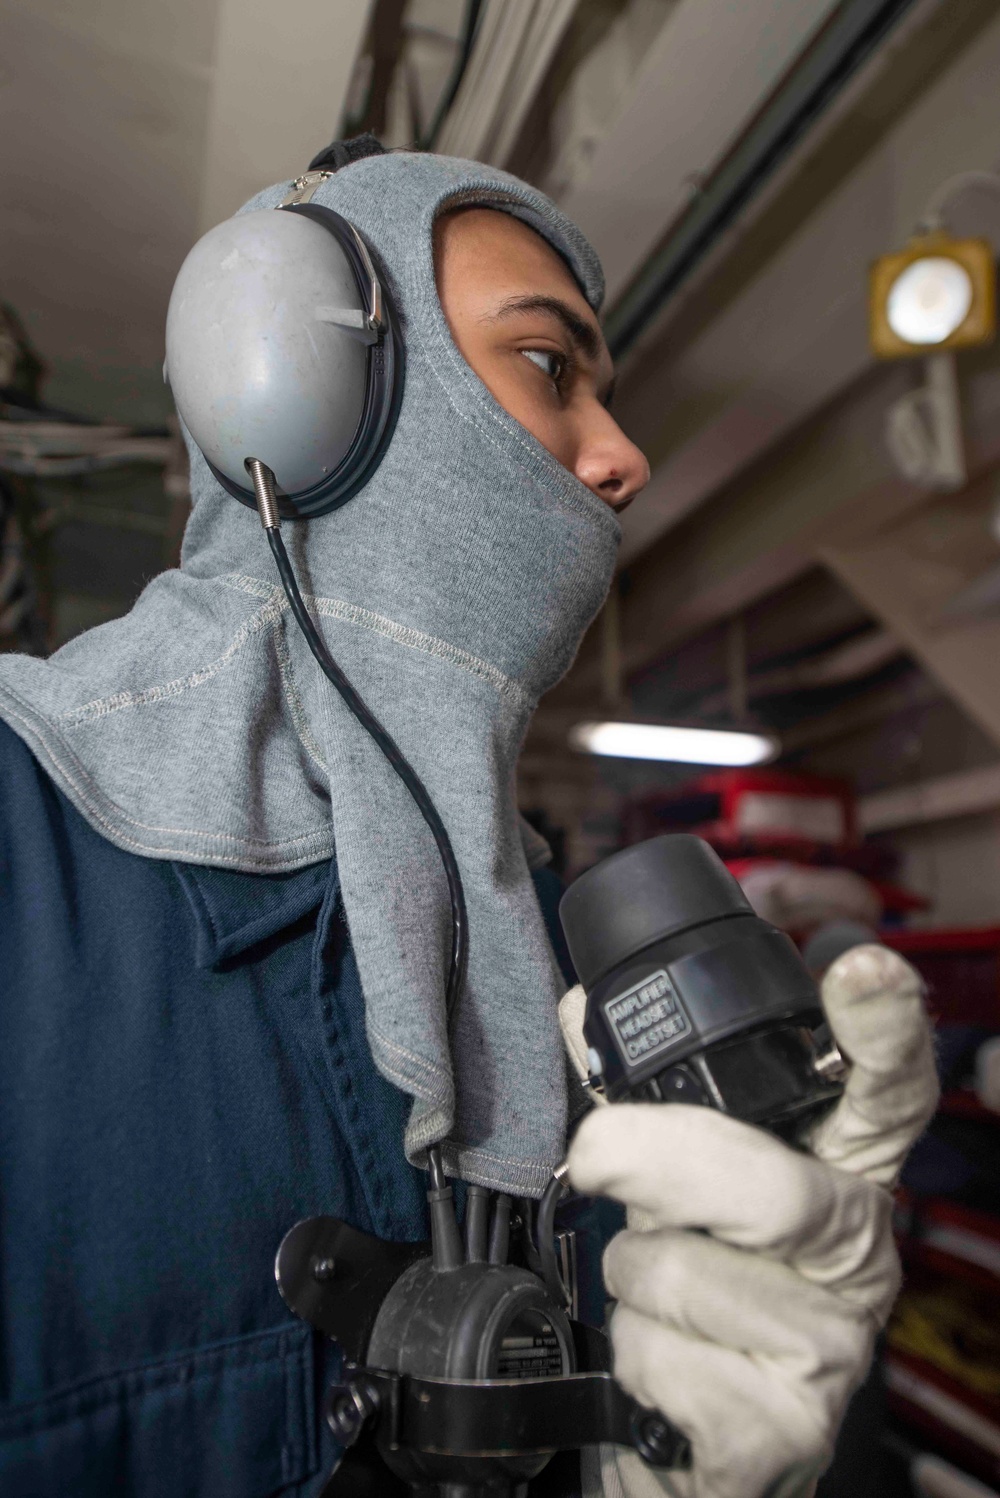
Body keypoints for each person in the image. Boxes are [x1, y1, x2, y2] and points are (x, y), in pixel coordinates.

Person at [0, 140, 937, 1498]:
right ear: (289, 389)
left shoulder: (561, 962)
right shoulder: (23, 845)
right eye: (551, 368)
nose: (623, 459)